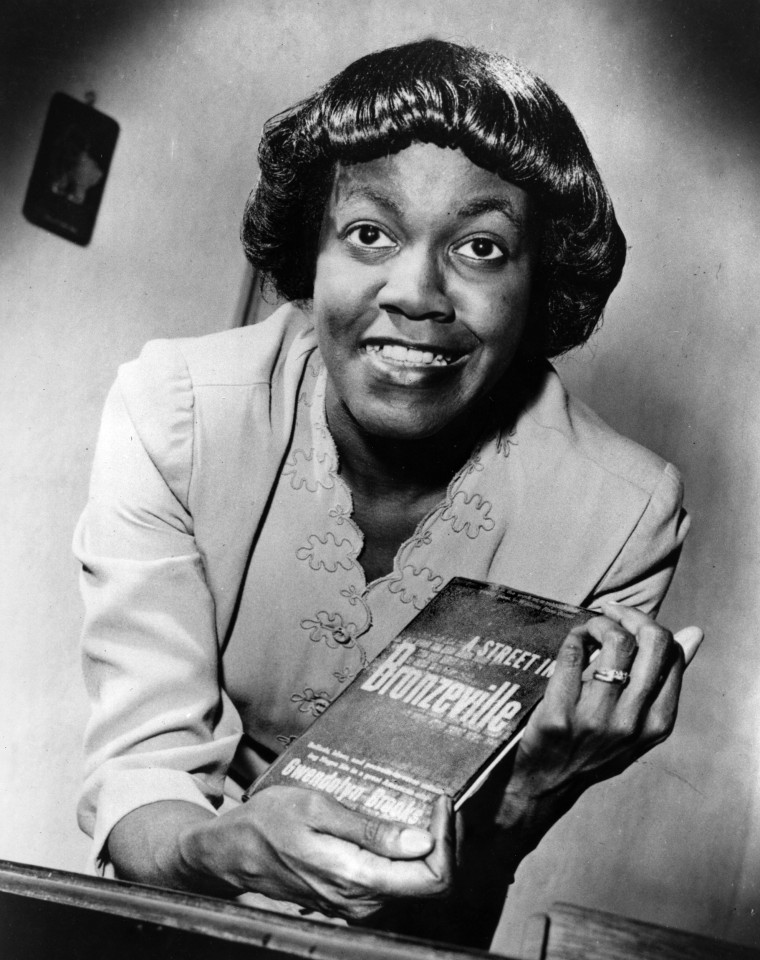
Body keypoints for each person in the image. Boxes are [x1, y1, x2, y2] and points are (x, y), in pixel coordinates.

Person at [74, 38, 702, 948]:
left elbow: (468, 878)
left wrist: (531, 789)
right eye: (370, 233)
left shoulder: (622, 517)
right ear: (311, 251)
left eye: (482, 248)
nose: (416, 293)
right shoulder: (176, 415)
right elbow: (141, 777)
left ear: (540, 286)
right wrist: (232, 846)